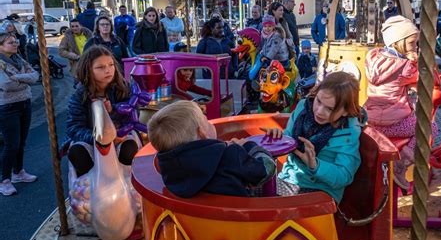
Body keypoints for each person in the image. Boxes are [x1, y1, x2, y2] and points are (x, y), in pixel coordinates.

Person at [263, 71, 363, 203]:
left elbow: (344, 176)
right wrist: (278, 138)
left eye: (330, 109)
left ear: (345, 111)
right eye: (319, 101)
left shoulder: (349, 132)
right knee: (247, 191)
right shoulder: (302, 108)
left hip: (321, 191)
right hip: (289, 178)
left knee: (262, 201)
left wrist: (315, 165)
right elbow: (289, 137)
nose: (320, 111)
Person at [364, 15, 437, 189]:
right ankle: (401, 163)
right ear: (398, 42)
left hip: (371, 120)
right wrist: (417, 60)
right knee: (431, 127)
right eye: (411, 43)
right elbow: (427, 81)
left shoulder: (374, 58)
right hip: (392, 124)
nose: (415, 47)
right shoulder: (405, 66)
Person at [147, 100, 276, 198]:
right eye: (207, 121)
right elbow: (266, 169)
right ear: (202, 132)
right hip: (240, 222)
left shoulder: (169, 167)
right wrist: (248, 146)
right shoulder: (230, 156)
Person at [64, 46, 140, 177]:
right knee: (77, 153)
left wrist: (113, 113)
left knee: (129, 149)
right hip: (91, 140)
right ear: (88, 70)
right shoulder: (79, 95)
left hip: (120, 136)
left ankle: (128, 181)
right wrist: (98, 138)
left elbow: (132, 116)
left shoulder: (123, 89)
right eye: (100, 67)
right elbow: (74, 127)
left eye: (111, 65)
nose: (108, 70)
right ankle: (89, 185)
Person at [0, 32, 39, 196]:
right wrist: (23, 80)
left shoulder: (19, 59)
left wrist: (18, 77)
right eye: (10, 42)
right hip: (8, 107)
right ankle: (4, 180)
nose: (15, 44)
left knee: (21, 141)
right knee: (11, 144)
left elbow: (35, 76)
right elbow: (7, 84)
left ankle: (18, 172)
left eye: (15, 41)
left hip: (24, 103)